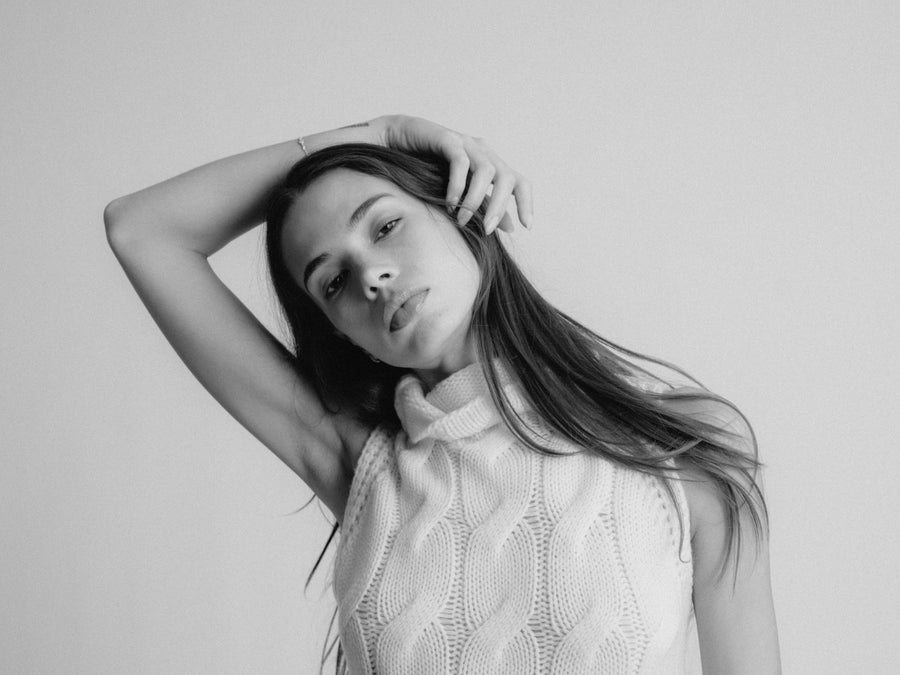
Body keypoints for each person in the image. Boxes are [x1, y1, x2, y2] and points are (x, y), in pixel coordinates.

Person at [105, 115, 781, 674]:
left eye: (384, 226)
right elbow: (140, 229)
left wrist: (380, 148)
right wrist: (378, 131)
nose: (371, 275)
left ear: (460, 211)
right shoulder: (361, 464)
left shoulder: (681, 450)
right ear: (341, 331)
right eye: (332, 281)